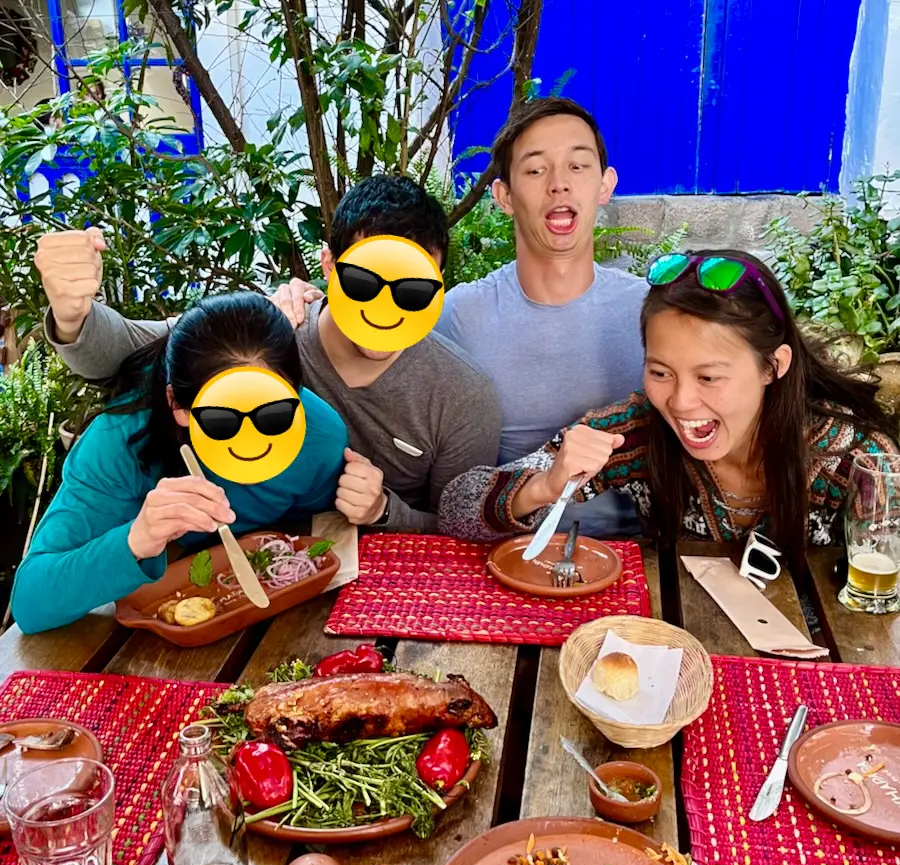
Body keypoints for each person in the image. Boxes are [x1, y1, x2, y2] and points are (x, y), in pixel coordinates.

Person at [268, 98, 647, 537]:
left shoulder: (652, 314)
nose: (559, 184)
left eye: (578, 166)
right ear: (503, 195)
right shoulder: (453, 316)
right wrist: (294, 306)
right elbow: (372, 318)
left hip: (633, 551)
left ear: (606, 183)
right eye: (536, 169)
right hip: (500, 549)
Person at [36, 177, 501, 533]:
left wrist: (384, 510)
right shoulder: (269, 333)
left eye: (413, 289)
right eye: (363, 281)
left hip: (386, 593)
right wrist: (73, 311)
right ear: (328, 267)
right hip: (242, 571)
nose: (384, 304)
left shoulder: (462, 394)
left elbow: (457, 528)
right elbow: (131, 351)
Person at [438, 250, 900, 575]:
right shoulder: (638, 430)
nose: (680, 402)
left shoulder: (856, 461)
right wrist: (545, 483)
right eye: (661, 372)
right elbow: (456, 508)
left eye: (709, 377)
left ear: (772, 367)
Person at [11, 292, 347, 634]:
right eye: (221, 419)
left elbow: (315, 534)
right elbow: (30, 602)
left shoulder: (319, 436)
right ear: (178, 405)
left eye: (274, 413)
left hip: (277, 621)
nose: (249, 436)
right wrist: (136, 539)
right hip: (144, 629)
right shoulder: (119, 441)